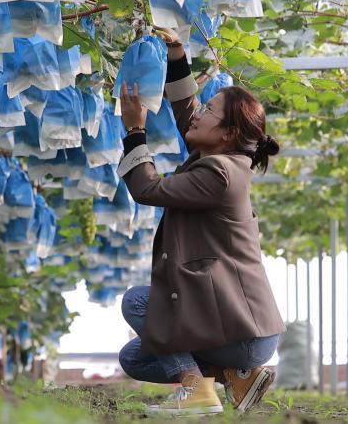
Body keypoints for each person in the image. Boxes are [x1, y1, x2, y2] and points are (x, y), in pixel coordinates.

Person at [116, 27, 285, 417]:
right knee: (134, 358)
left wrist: (134, 132)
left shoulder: (220, 174)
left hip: (242, 329)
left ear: (227, 133)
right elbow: (186, 111)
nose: (201, 112)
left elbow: (148, 190)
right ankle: (236, 375)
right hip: (239, 330)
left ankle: (196, 389)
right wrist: (176, 55)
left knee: (138, 302)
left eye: (211, 111)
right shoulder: (225, 159)